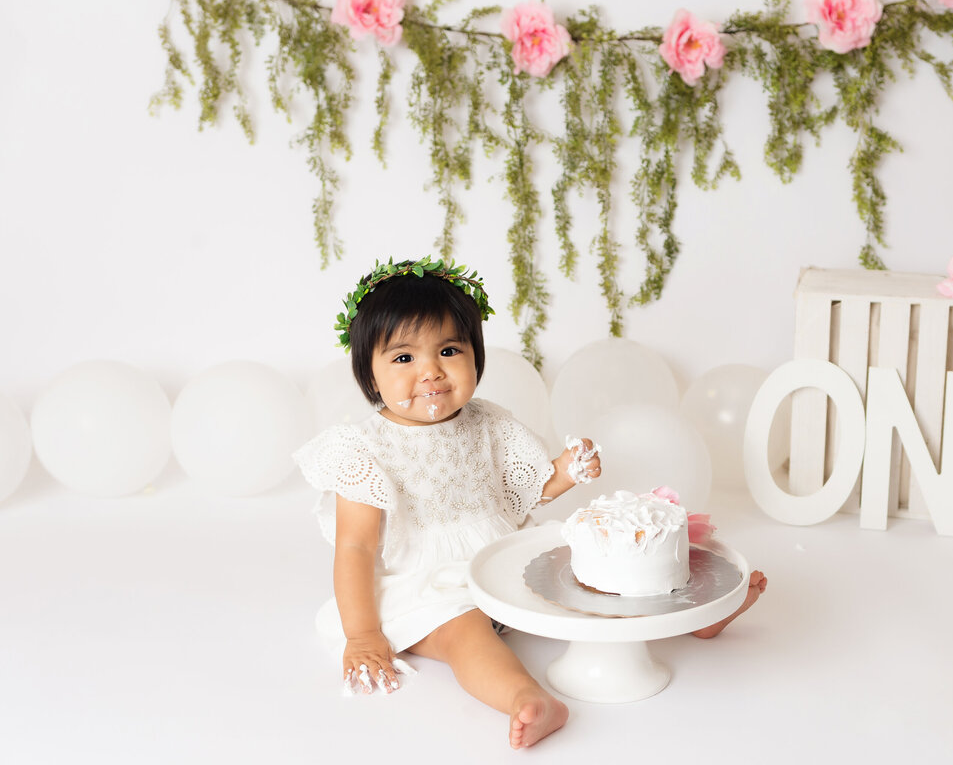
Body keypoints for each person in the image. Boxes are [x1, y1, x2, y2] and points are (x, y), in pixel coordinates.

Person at [294, 256, 766, 750]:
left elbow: (518, 493)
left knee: (586, 585)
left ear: (476, 357)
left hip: (499, 559)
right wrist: (364, 634)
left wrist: (564, 472)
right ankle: (528, 698)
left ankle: (690, 618)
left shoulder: (487, 422)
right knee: (462, 631)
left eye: (449, 350)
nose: (430, 371)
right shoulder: (365, 450)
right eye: (404, 358)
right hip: (425, 585)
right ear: (369, 375)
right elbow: (356, 549)